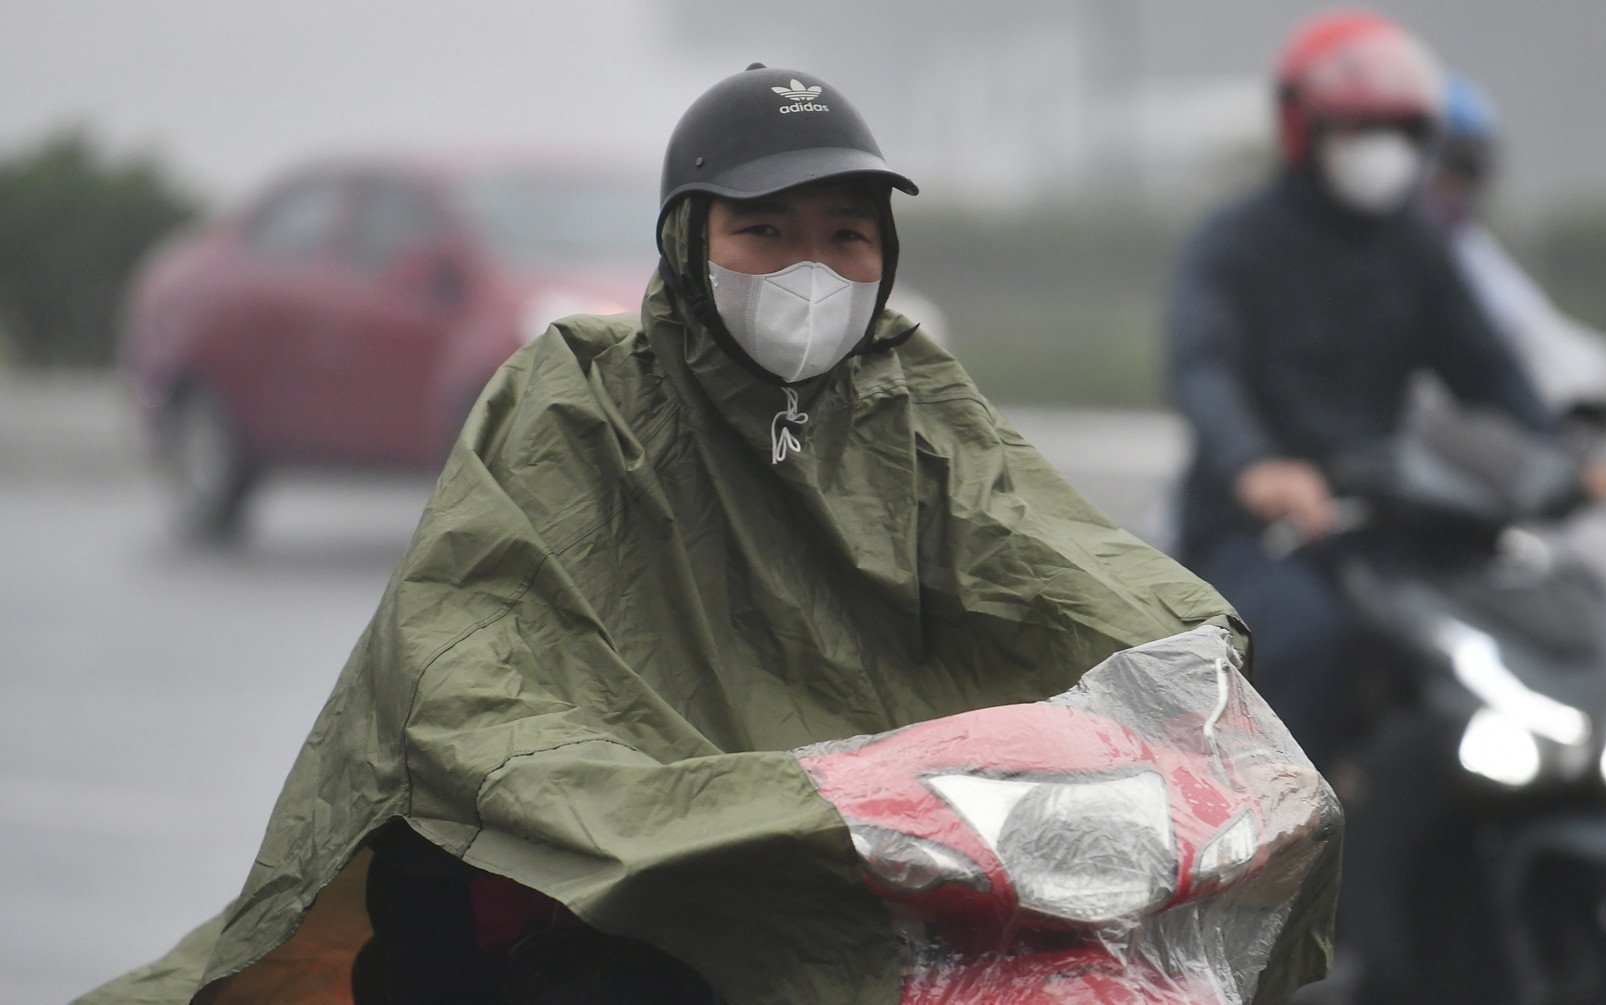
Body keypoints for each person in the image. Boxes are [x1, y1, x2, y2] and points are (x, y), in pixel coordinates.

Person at [81, 65, 1337, 1004]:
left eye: (846, 237)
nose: (811, 271)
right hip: (592, 889)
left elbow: (1063, 564)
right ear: (691, 239)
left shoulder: (911, 404)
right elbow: (473, 667)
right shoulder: (582, 393)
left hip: (856, 861)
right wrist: (670, 807)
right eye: (767, 232)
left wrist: (1189, 680)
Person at [1165, 11, 1562, 764]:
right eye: (1357, 131)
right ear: (1301, 130)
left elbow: (1490, 369)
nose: (1381, 152)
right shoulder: (1234, 243)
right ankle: (1286, 854)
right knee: (1313, 637)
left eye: (1400, 131)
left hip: (1391, 523)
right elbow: (1202, 367)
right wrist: (1256, 466)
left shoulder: (1417, 251)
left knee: (1490, 632)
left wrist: (1566, 450)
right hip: (1258, 531)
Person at [1422, 70, 1606, 412]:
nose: (1457, 193)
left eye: (1468, 177)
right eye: (1449, 174)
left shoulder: (1466, 247)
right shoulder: (1359, 246)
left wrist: (1605, 377)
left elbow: (1534, 328)